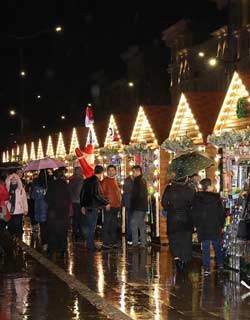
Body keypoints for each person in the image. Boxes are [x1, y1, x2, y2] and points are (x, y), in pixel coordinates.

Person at [191, 178, 225, 275]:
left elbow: (194, 213)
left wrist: (196, 224)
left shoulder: (197, 198)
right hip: (215, 225)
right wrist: (221, 225)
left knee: (205, 248)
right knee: (217, 246)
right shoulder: (216, 198)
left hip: (203, 226)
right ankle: (220, 265)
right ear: (209, 186)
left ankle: (206, 268)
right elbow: (221, 213)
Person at [162, 176, 195, 271]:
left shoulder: (169, 189)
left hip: (173, 218)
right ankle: (184, 260)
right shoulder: (189, 190)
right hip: (186, 218)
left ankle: (177, 258)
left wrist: (170, 209)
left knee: (174, 239)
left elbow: (164, 203)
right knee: (186, 240)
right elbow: (194, 203)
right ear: (185, 179)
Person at [80, 165, 108, 252]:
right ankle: (90, 246)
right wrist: (105, 202)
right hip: (93, 207)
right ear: (101, 173)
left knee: (89, 227)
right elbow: (96, 195)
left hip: (87, 206)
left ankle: (89, 244)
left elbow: (82, 194)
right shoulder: (96, 182)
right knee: (91, 228)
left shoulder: (87, 180)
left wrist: (82, 205)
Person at [45, 168, 71, 258]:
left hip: (53, 213)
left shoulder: (52, 185)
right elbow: (69, 199)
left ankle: (52, 250)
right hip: (63, 213)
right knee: (63, 233)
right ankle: (63, 250)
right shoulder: (66, 185)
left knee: (52, 232)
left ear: (55, 176)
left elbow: (47, 199)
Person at [101, 165, 121, 249]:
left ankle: (113, 242)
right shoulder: (105, 181)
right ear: (107, 171)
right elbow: (101, 193)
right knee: (107, 224)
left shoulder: (115, 180)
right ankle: (106, 242)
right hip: (109, 205)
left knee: (114, 224)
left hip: (116, 205)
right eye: (109, 170)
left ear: (115, 171)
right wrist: (106, 203)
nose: (111, 172)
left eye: (113, 170)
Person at [130, 165, 148, 249]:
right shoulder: (143, 180)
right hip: (142, 206)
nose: (132, 173)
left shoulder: (137, 181)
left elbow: (139, 195)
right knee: (141, 224)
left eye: (133, 172)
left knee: (134, 224)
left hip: (138, 206)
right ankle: (143, 243)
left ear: (138, 171)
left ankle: (135, 243)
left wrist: (133, 203)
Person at [5, 173, 28, 239]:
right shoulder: (7, 189)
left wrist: (25, 209)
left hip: (18, 211)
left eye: (15, 178)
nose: (13, 180)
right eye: (12, 178)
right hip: (10, 211)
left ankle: (19, 242)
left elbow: (24, 200)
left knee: (18, 227)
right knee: (10, 227)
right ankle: (11, 242)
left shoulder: (21, 189)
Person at [31, 170, 48, 251]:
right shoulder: (49, 184)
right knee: (48, 227)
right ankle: (48, 243)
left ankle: (44, 243)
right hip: (49, 210)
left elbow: (33, 196)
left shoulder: (36, 185)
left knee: (43, 227)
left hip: (40, 209)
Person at [69, 167, 84, 241]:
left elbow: (69, 191)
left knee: (75, 217)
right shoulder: (81, 180)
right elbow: (81, 192)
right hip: (79, 201)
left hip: (73, 201)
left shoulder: (71, 180)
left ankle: (75, 233)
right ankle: (80, 233)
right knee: (80, 218)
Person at [122, 174, 134, 245]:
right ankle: (130, 238)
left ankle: (131, 238)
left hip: (131, 204)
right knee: (131, 221)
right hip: (130, 204)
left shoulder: (128, 181)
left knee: (131, 221)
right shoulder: (129, 181)